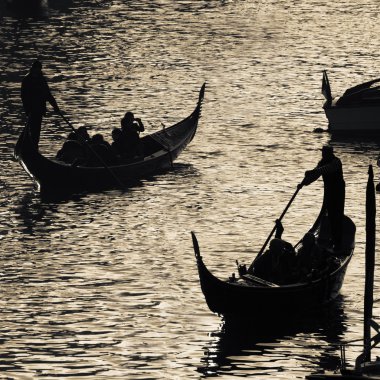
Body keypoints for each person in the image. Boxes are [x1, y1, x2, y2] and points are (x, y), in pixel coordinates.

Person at [302, 145, 345, 250]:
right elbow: (315, 175)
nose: (323, 155)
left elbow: (324, 170)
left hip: (338, 191)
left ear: (329, 153)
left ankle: (337, 241)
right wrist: (303, 183)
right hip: (329, 191)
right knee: (330, 215)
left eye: (324, 153)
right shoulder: (322, 162)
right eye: (322, 153)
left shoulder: (336, 162)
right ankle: (332, 238)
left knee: (337, 215)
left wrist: (313, 171)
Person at [21, 60, 60, 148]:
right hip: (31, 110)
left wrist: (55, 106)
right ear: (33, 68)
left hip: (39, 109)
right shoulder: (27, 80)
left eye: (39, 69)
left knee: (36, 131)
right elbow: (24, 97)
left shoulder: (41, 80)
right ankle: (32, 147)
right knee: (33, 130)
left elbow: (48, 95)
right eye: (36, 69)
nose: (38, 70)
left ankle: (34, 147)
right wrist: (27, 109)